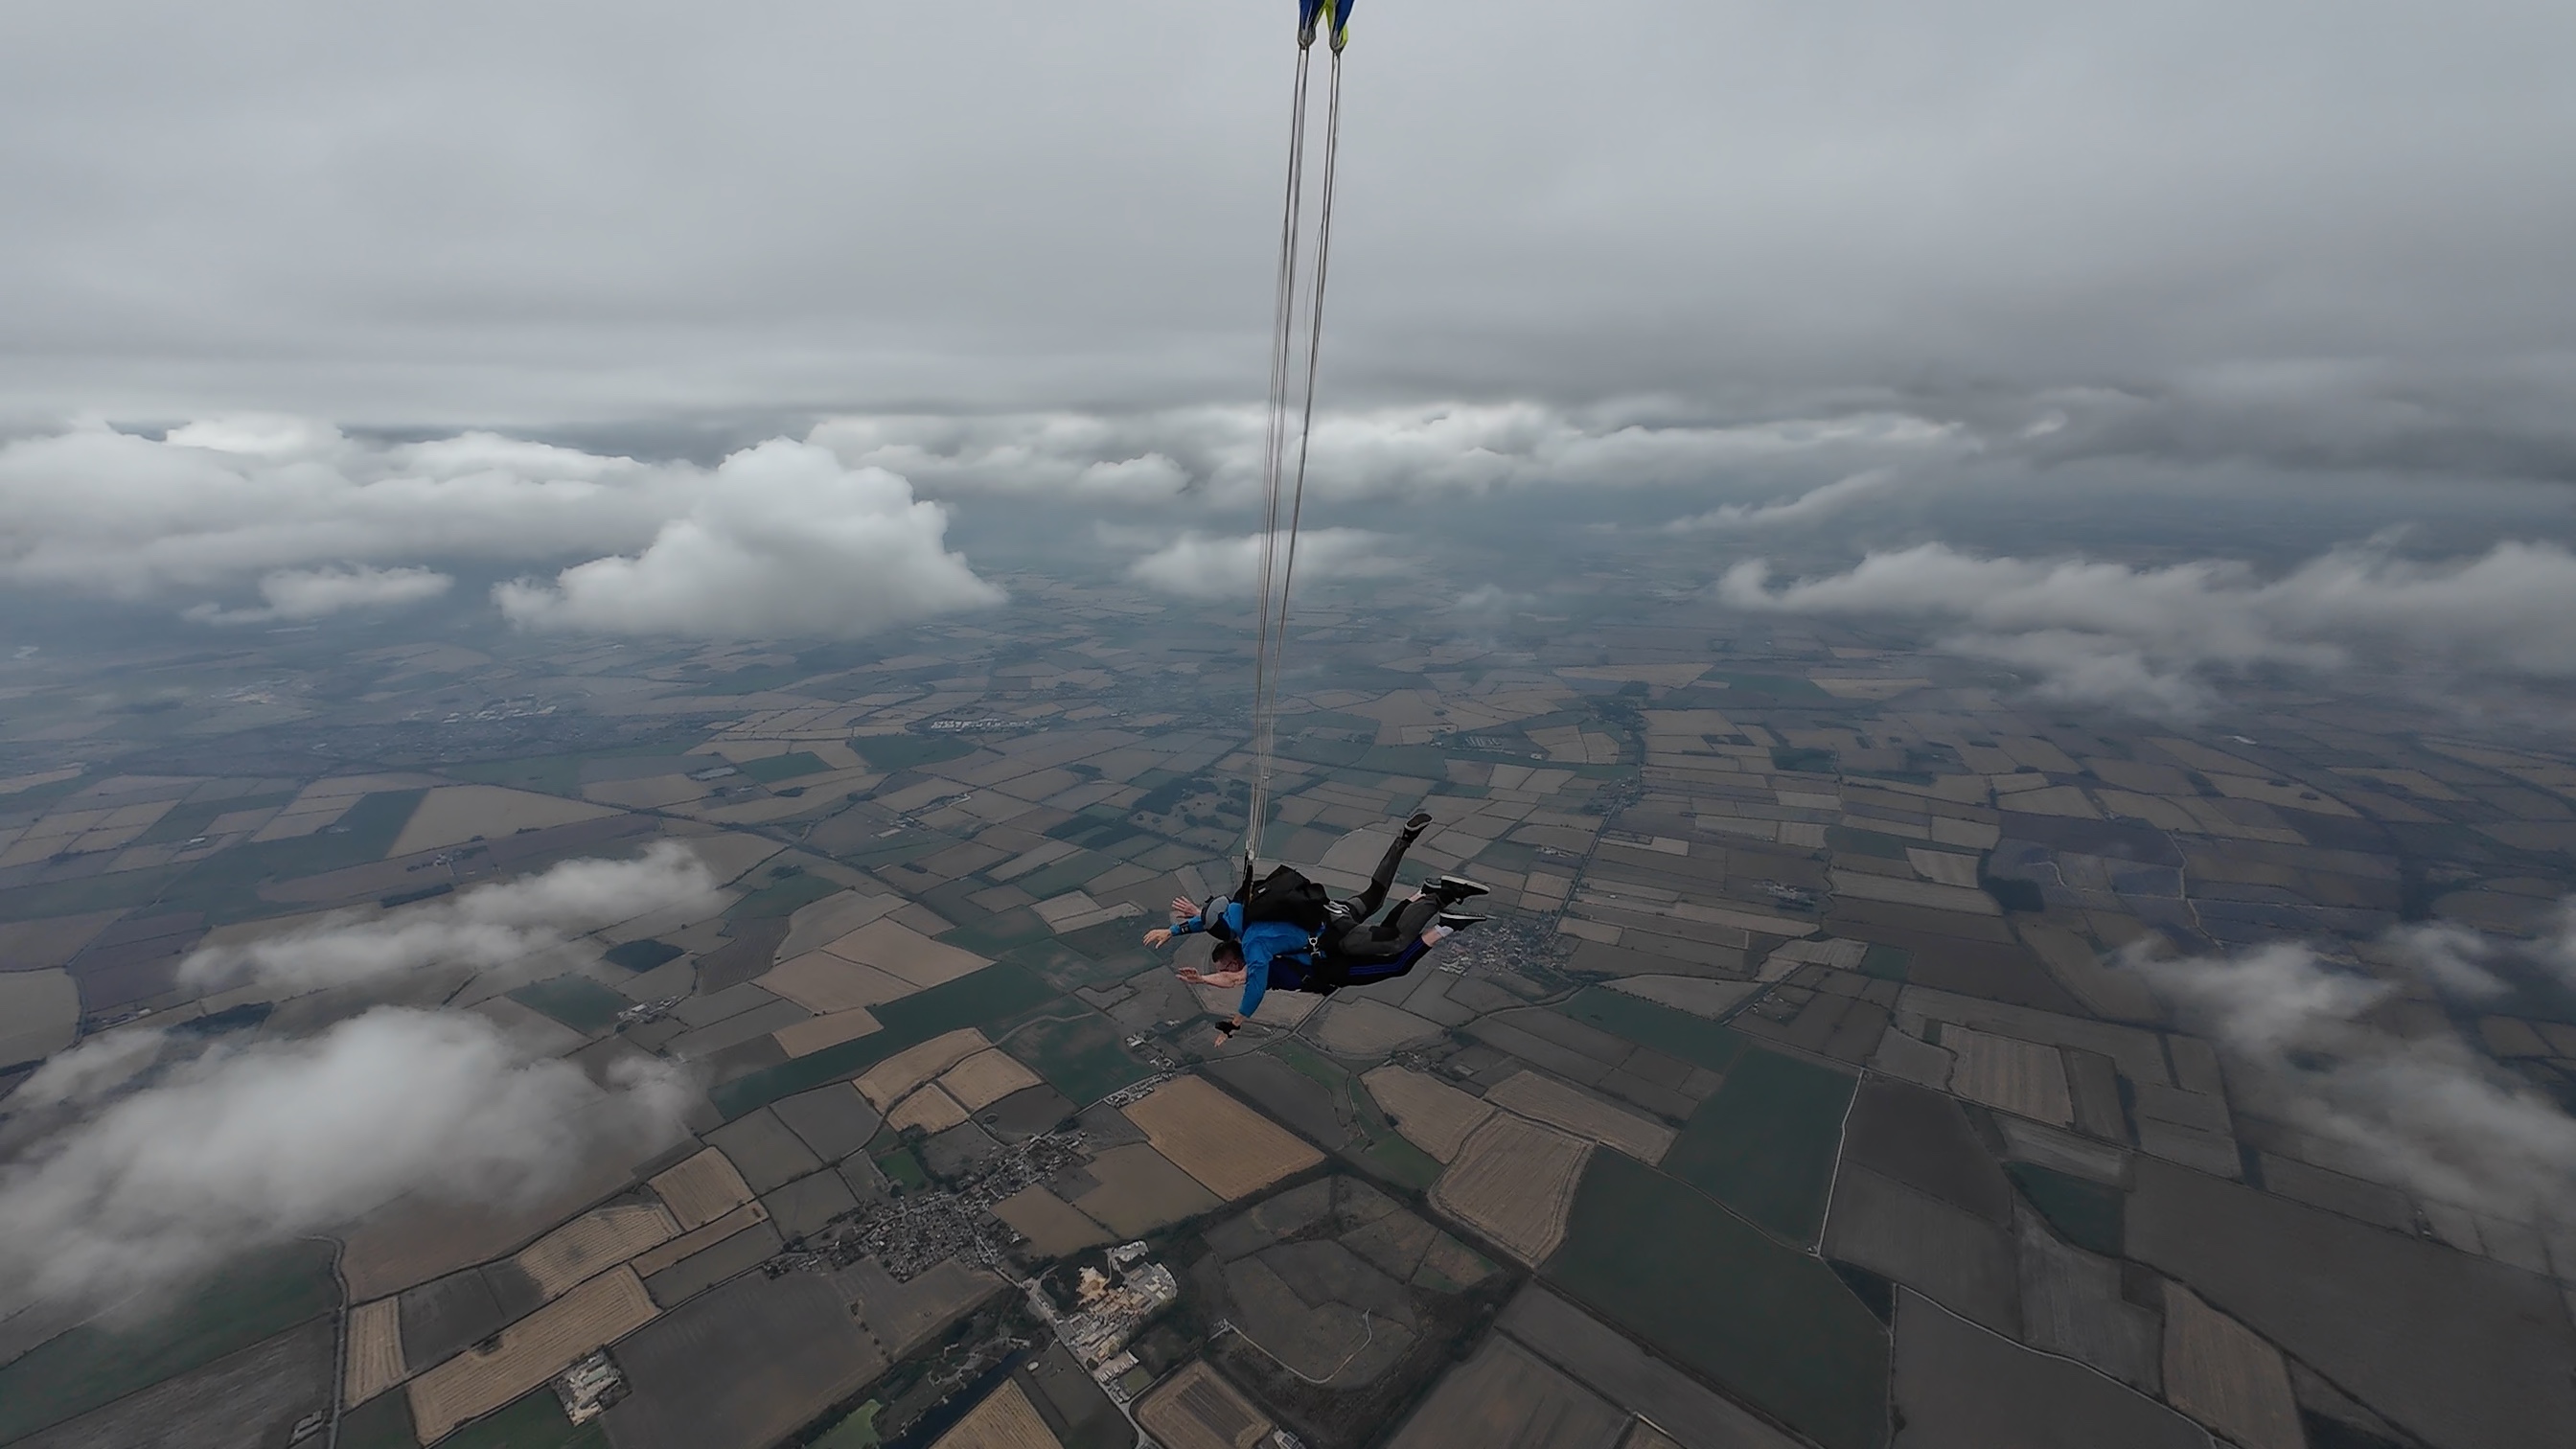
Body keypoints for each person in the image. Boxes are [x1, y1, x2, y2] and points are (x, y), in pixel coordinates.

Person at [1143, 812, 1487, 1043]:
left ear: (1234, 955)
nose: (1229, 969)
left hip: (1335, 938)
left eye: (1227, 964)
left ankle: (1439, 898)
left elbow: (1241, 983)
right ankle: (1405, 845)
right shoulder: (1241, 907)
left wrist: (1232, 1022)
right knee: (1374, 896)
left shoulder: (1256, 946)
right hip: (1329, 911)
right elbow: (1210, 918)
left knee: (1395, 945)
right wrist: (1173, 931)